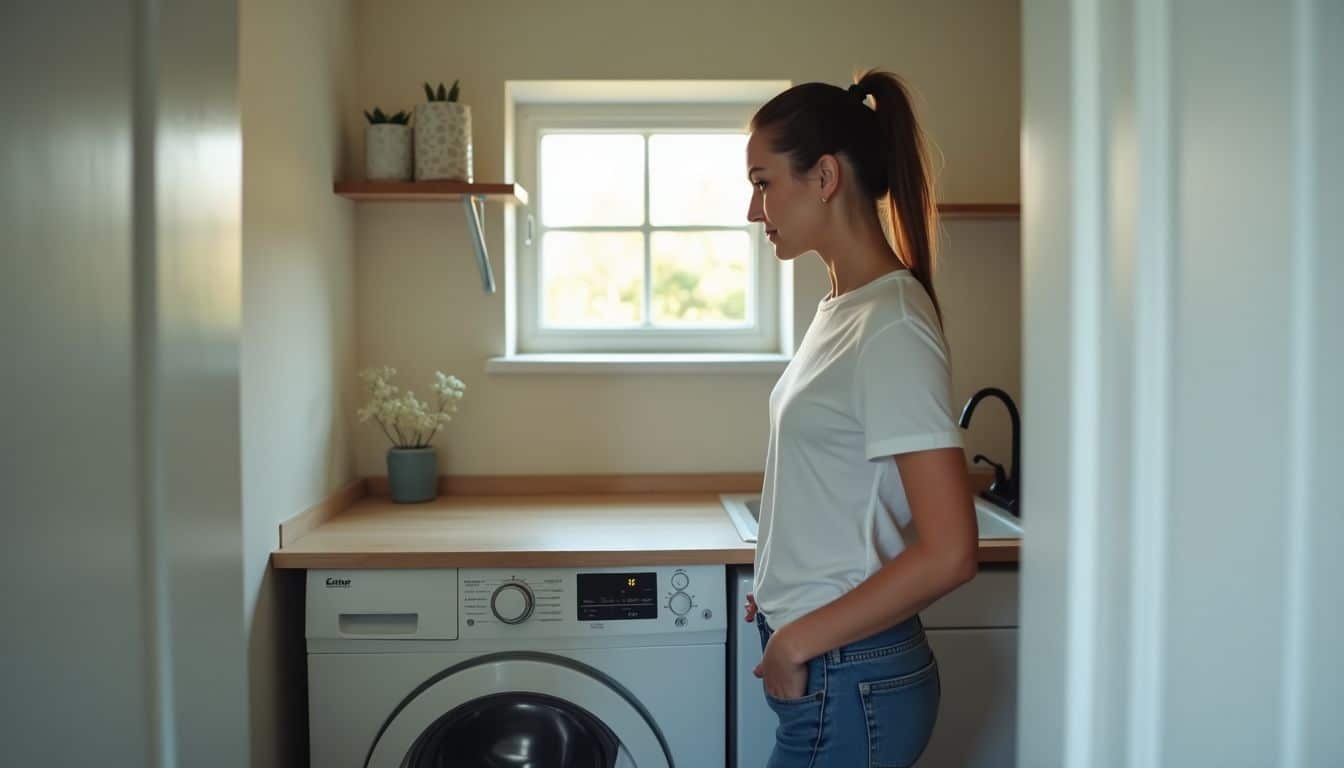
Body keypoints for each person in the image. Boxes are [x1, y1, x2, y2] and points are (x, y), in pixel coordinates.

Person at [742, 69, 979, 767]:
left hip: (850, 674)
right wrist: (786, 591)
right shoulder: (845, 311)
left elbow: (949, 552)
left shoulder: (891, 324)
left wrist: (796, 636)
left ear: (823, 176)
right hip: (831, 664)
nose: (756, 211)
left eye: (763, 182)